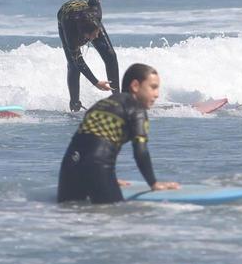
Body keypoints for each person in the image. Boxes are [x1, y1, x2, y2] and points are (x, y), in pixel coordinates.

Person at [57, 63, 179, 204]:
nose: (157, 95)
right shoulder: (137, 110)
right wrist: (153, 184)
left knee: (68, 216)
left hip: (70, 165)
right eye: (153, 87)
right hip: (97, 167)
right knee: (115, 217)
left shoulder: (101, 104)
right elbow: (140, 151)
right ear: (135, 86)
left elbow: (91, 141)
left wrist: (109, 178)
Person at [57, 0, 119, 112]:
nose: (97, 36)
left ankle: (117, 99)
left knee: (110, 55)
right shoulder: (71, 34)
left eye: (97, 32)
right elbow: (79, 61)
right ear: (84, 34)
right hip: (66, 16)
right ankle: (75, 104)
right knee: (73, 65)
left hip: (88, 16)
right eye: (94, 35)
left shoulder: (96, 14)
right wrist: (96, 82)